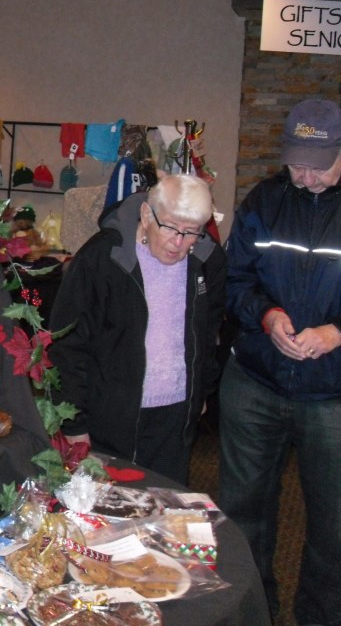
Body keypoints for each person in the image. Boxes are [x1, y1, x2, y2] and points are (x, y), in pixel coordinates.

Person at [220, 99, 341, 626]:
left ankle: (320, 617)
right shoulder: (265, 199)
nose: (305, 176)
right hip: (255, 381)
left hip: (335, 393)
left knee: (331, 526)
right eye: (296, 163)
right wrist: (267, 315)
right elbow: (235, 279)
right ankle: (253, 612)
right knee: (242, 512)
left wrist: (338, 332)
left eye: (317, 165)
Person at [47, 174, 225, 485]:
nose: (179, 242)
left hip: (174, 416)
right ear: (146, 213)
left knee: (166, 505)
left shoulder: (207, 259)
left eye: (191, 232)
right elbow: (67, 344)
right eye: (170, 227)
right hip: (109, 416)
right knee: (109, 506)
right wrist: (73, 422)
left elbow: (209, 333)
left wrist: (201, 392)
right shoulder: (102, 257)